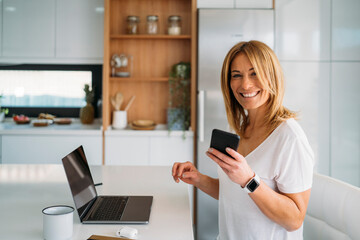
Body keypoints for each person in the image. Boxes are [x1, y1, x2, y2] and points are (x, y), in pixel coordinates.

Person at [172, 40, 314, 240]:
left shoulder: (290, 138)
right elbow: (236, 193)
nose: (245, 84)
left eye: (254, 73)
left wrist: (249, 180)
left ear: (271, 76)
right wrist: (199, 179)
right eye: (236, 75)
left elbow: (294, 220)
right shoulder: (241, 129)